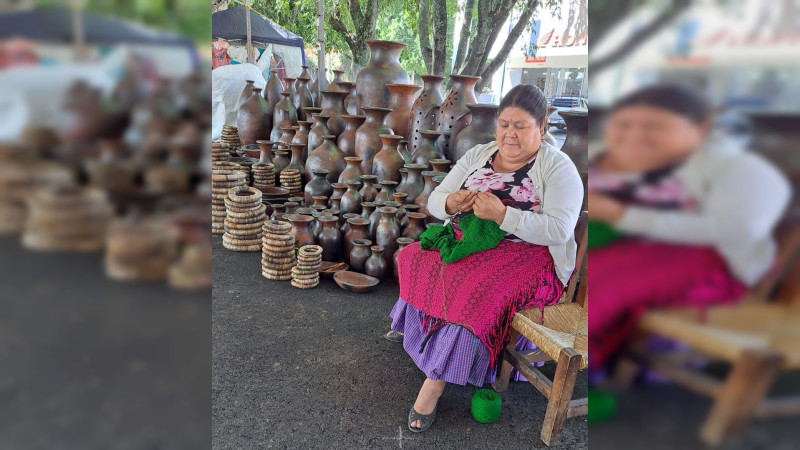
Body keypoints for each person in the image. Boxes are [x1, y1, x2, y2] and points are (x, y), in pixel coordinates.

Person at [389, 84, 583, 432]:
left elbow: (558, 230)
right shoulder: (479, 153)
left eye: (520, 126)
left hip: (530, 256)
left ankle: (435, 382)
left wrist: (503, 216)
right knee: (413, 256)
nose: (509, 134)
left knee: (474, 290)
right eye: (504, 124)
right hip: (472, 241)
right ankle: (419, 332)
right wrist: (451, 204)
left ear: (541, 128)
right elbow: (438, 199)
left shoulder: (559, 168)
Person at [587, 85, 791, 372]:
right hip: (644, 251)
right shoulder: (644, 160)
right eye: (623, 124)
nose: (634, 135)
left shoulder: (744, 170)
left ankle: (591, 378)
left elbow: (738, 229)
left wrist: (621, 215)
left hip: (718, 267)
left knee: (602, 291)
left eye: (652, 126)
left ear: (701, 126)